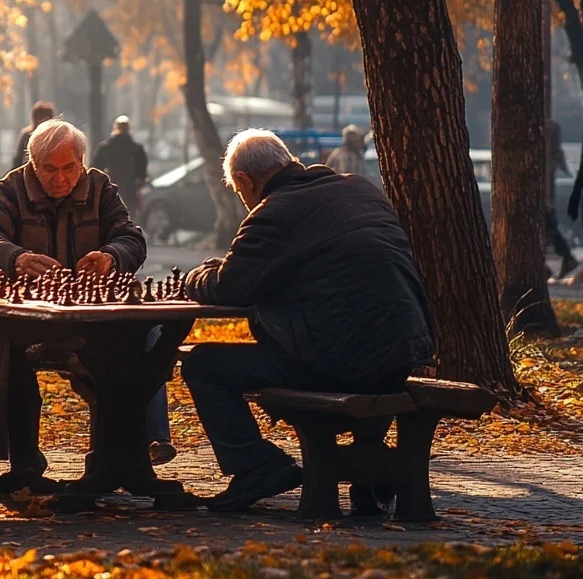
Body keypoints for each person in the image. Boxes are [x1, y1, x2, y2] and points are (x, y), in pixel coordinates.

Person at [182, 129, 434, 512]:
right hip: (402, 349)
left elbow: (229, 288)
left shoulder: (274, 213)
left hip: (339, 358)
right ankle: (371, 473)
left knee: (203, 363)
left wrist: (195, 275)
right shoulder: (359, 189)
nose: (245, 203)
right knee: (353, 344)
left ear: (247, 181)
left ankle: (256, 465)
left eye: (240, 194)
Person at [0, 119, 173, 490]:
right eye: (49, 169)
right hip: (28, 317)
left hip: (88, 317)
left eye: (69, 168)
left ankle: (132, 453)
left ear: (82, 162)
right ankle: (20, 465)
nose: (60, 179)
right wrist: (16, 259)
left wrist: (111, 256)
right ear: (33, 165)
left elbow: (131, 238)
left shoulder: (100, 187)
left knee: (141, 341)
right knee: (3, 358)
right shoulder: (12, 188)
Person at [91, 115, 149, 214]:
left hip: (110, 189)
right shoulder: (136, 149)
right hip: (130, 190)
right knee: (128, 217)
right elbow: (142, 173)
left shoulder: (105, 148)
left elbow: (96, 169)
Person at [546, 120, 578, 278]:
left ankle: (563, 259)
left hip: (541, 189)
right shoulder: (551, 130)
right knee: (547, 226)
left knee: (546, 225)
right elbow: (560, 161)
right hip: (545, 190)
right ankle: (564, 259)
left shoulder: (544, 128)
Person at [11, 101, 56, 170]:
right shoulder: (26, 135)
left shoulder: (56, 135)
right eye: (40, 117)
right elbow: (18, 160)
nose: (41, 121)